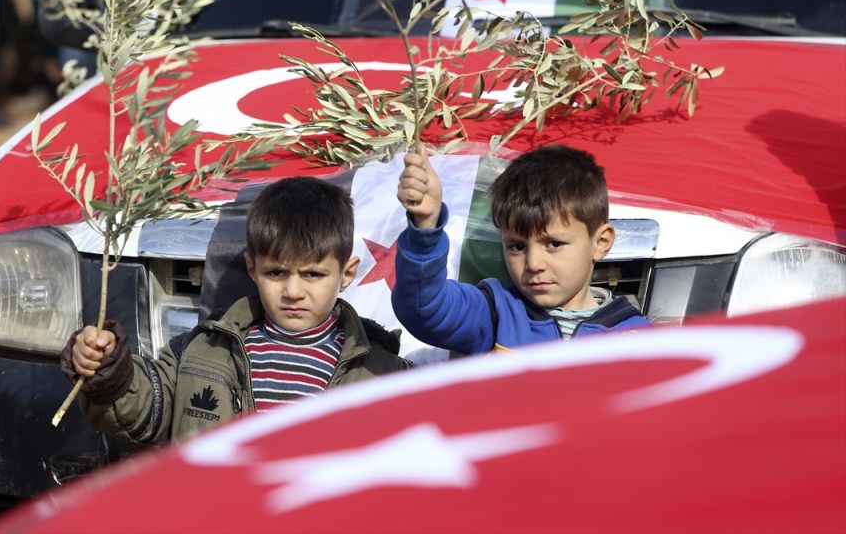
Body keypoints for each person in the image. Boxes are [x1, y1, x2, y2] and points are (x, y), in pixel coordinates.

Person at [61, 176, 411, 444]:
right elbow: (146, 408)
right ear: (252, 268)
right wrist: (106, 369)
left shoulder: (381, 375)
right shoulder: (205, 351)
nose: (292, 291)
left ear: (346, 274)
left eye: (312, 274)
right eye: (276, 273)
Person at [392, 143, 651, 355]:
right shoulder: (494, 313)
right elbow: (424, 307)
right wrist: (426, 226)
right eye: (517, 246)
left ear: (601, 242)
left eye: (553, 244)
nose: (533, 263)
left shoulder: (641, 341)